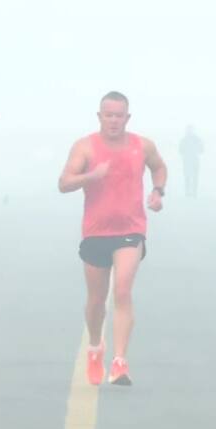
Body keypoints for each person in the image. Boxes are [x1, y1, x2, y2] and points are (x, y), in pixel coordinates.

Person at [58, 91, 167, 386]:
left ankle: (119, 362)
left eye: (119, 115)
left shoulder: (142, 145)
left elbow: (159, 166)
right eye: (109, 115)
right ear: (99, 116)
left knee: (121, 291)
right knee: (96, 300)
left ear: (127, 118)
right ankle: (96, 348)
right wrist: (91, 177)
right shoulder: (85, 147)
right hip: (96, 232)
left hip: (131, 231)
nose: (114, 120)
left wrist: (158, 192)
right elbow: (64, 183)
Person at [178, 125, 204, 197]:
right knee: (187, 177)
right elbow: (180, 150)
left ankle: (194, 193)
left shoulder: (196, 139)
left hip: (193, 160)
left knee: (194, 177)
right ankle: (188, 193)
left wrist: (195, 151)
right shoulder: (185, 140)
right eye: (188, 130)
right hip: (187, 160)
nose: (189, 131)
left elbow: (201, 150)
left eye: (190, 130)